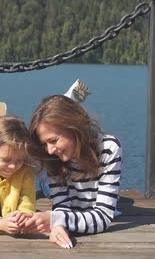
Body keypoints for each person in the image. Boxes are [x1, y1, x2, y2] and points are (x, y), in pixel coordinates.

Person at [23, 79, 122, 249]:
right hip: (55, 187)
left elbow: (103, 217)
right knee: (45, 184)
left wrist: (55, 219)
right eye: (45, 143)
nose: (49, 150)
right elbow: (62, 204)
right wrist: (58, 226)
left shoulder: (109, 148)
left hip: (88, 197)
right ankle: (66, 101)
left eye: (53, 140)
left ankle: (68, 101)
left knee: (107, 200)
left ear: (74, 127)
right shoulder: (52, 157)